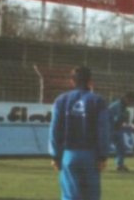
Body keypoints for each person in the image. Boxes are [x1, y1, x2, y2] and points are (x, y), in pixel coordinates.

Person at [49, 66, 110, 200]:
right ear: (90, 81)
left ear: (72, 81)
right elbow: (103, 130)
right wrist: (102, 157)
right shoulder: (98, 101)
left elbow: (55, 130)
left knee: (70, 196)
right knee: (91, 196)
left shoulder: (62, 100)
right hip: (91, 156)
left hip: (69, 155)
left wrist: (55, 155)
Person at [109, 92, 134, 171]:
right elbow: (116, 118)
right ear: (126, 99)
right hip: (109, 128)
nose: (130, 103)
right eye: (130, 101)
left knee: (121, 148)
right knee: (104, 148)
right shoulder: (118, 105)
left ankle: (120, 165)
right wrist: (121, 122)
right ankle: (94, 164)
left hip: (116, 129)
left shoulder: (122, 105)